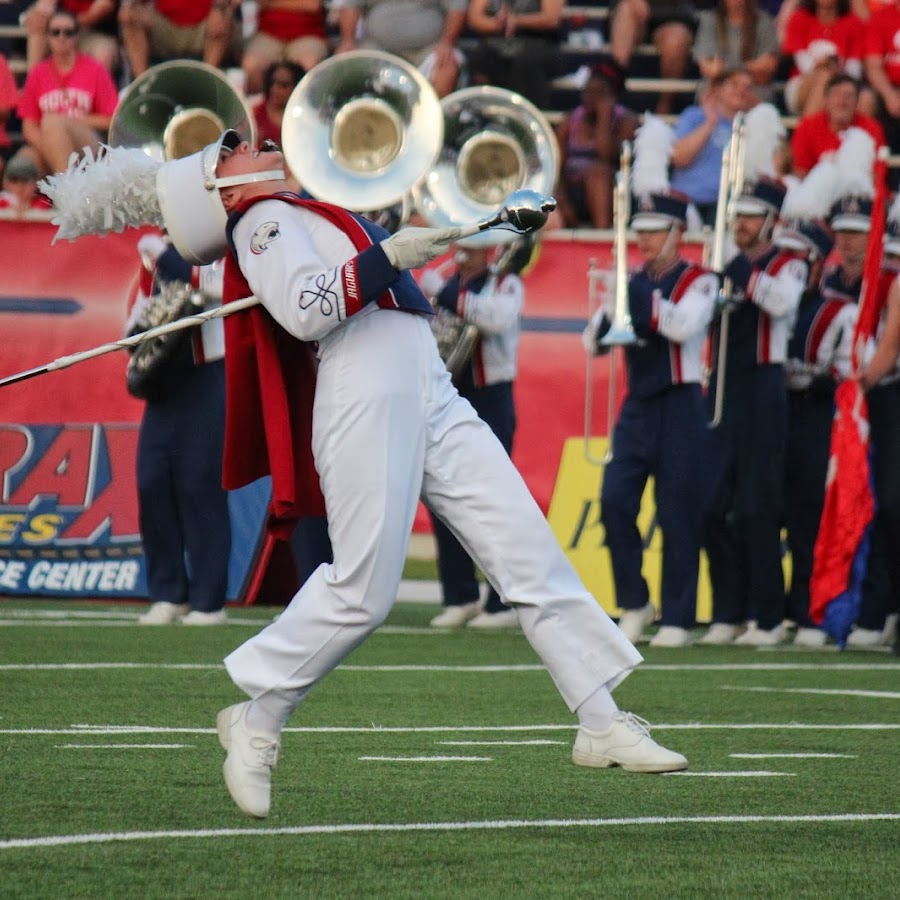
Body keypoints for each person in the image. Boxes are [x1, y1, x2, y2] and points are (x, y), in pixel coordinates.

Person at [42, 130, 694, 816]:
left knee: (523, 543)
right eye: (230, 150)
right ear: (223, 192)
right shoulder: (260, 223)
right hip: (364, 383)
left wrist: (397, 250)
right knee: (362, 589)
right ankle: (258, 718)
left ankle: (600, 718)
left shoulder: (295, 209)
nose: (250, 140)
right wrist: (387, 254)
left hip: (423, 375)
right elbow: (304, 310)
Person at [583, 118, 718, 648]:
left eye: (653, 231)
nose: (642, 240)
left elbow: (684, 326)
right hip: (638, 406)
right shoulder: (631, 284)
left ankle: (679, 616)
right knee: (616, 500)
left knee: (678, 508)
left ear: (676, 234)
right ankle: (634, 600)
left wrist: (637, 300)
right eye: (639, 231)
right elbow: (591, 343)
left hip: (683, 404)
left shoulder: (701, 280)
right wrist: (614, 306)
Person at [700, 172, 808, 645]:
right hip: (724, 385)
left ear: (770, 221)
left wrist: (738, 270)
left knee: (756, 507)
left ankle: (768, 615)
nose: (741, 225)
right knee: (709, 503)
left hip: (764, 387)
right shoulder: (727, 264)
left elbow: (781, 304)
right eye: (738, 217)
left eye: (750, 217)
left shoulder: (790, 264)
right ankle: (729, 609)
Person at [418, 235, 528, 629]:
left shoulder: (506, 283)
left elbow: (495, 318)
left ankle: (504, 602)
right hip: (449, 393)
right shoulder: (447, 282)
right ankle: (459, 595)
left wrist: (443, 292)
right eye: (461, 243)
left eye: (474, 245)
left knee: (493, 499)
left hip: (491, 397)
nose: (463, 250)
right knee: (444, 494)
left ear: (491, 249)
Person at [126, 233, 233, 626]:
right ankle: (168, 592)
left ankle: (209, 602)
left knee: (199, 485)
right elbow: (136, 313)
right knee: (151, 481)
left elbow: (217, 288)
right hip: (165, 380)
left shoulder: (221, 243)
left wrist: (164, 256)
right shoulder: (157, 254)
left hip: (209, 374)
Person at [782, 193, 849, 648]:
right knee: (769, 511)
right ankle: (773, 608)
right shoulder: (777, 301)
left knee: (808, 514)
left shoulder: (836, 309)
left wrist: (809, 379)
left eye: (797, 258)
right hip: (777, 414)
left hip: (817, 418)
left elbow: (845, 375)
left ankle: (809, 609)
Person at [16, 9, 119, 175]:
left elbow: (111, 119)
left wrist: (70, 120)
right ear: (48, 37)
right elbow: (28, 127)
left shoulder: (95, 69)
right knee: (22, 163)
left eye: (68, 32)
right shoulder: (38, 73)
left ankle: (67, 191)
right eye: (55, 32)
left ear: (77, 36)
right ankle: (22, 201)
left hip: (87, 142)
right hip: (48, 142)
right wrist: (52, 146)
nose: (61, 37)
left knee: (52, 121)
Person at [553, 59, 639, 230]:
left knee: (598, 174)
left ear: (613, 96)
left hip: (611, 190)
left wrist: (604, 118)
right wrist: (562, 202)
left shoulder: (627, 122)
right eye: (587, 93)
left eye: (598, 94)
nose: (590, 99)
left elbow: (605, 154)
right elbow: (555, 166)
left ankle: (602, 234)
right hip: (572, 190)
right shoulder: (569, 122)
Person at [670, 68, 755, 226]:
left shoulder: (753, 128)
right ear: (717, 89)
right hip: (686, 202)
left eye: (747, 87)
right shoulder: (694, 116)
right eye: (735, 84)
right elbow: (678, 157)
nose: (741, 91)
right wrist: (710, 123)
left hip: (727, 207)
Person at [336, 0, 465, 98]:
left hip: (428, 47)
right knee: (352, 66)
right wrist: (348, 40)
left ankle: (433, 129)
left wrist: (447, 42)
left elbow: (457, 7)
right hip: (376, 46)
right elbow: (350, 5)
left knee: (447, 69)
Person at [464, 0, 564, 110]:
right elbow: (474, 18)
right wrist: (500, 23)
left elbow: (551, 19)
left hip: (541, 43)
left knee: (525, 62)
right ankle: (482, 114)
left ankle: (525, 118)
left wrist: (517, 21)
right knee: (479, 58)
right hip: (499, 41)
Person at [608, 0, 697, 115]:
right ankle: (611, 91)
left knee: (675, 41)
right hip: (633, 11)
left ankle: (665, 105)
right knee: (627, 10)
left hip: (675, 15)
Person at [789, 73, 885, 178]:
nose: (841, 102)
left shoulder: (871, 129)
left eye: (848, 96)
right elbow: (800, 172)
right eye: (836, 95)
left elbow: (878, 173)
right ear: (826, 100)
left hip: (858, 190)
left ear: (856, 102)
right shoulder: (807, 127)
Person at [780, 0, 866, 117]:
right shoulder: (799, 19)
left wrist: (834, 69)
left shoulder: (853, 24)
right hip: (802, 85)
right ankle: (809, 132)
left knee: (831, 81)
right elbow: (805, 68)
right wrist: (825, 65)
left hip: (841, 86)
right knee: (824, 75)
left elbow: (854, 73)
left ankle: (807, 131)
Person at [118, 0, 239, 79]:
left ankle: (207, 80)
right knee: (129, 15)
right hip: (165, 26)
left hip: (205, 27)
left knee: (223, 14)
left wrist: (221, 5)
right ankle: (143, 85)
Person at [692, 0, 780, 98]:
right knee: (707, 96)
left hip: (754, 92)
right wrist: (748, 68)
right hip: (717, 92)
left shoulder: (764, 22)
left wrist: (727, 70)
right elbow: (710, 69)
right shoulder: (710, 21)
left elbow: (767, 68)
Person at [239, 0, 328, 97]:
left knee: (308, 63)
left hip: (308, 35)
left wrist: (272, 4)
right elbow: (261, 2)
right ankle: (261, 109)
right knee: (252, 64)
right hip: (268, 34)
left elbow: (311, 5)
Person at [20, 0, 119, 74]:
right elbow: (45, 6)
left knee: (104, 53)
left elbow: (101, 9)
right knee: (39, 24)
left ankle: (92, 97)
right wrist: (38, 14)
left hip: (97, 33)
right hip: (64, 27)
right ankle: (33, 86)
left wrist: (66, 23)